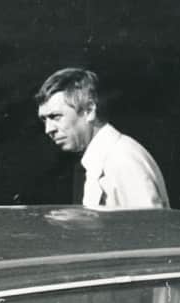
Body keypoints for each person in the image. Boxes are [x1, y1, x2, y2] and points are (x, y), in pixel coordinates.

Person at [36, 68, 169, 209]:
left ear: (89, 110)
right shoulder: (106, 158)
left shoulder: (122, 159)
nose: (48, 129)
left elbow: (151, 223)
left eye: (55, 116)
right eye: (44, 119)